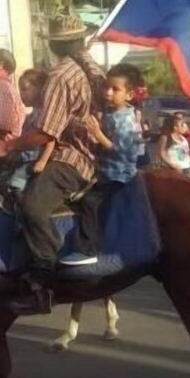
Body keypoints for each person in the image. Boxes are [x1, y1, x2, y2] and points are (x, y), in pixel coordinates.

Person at [0, 10, 99, 312]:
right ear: (79, 40)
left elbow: (45, 132)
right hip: (85, 148)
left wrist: (7, 145)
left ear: (54, 45)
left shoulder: (61, 75)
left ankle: (44, 278)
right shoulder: (89, 66)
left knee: (31, 205)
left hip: (73, 158)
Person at [59, 64, 140, 267]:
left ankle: (88, 250)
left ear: (129, 94)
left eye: (115, 89)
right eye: (106, 87)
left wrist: (97, 134)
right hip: (105, 169)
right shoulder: (113, 114)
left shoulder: (126, 120)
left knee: (90, 202)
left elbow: (118, 148)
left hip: (118, 174)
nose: (108, 92)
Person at [7, 69, 54, 193]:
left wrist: (43, 160)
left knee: (17, 180)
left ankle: (17, 200)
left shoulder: (45, 115)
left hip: (33, 159)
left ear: (39, 89)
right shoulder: (32, 114)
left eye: (25, 89)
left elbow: (50, 138)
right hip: (25, 156)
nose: (21, 94)